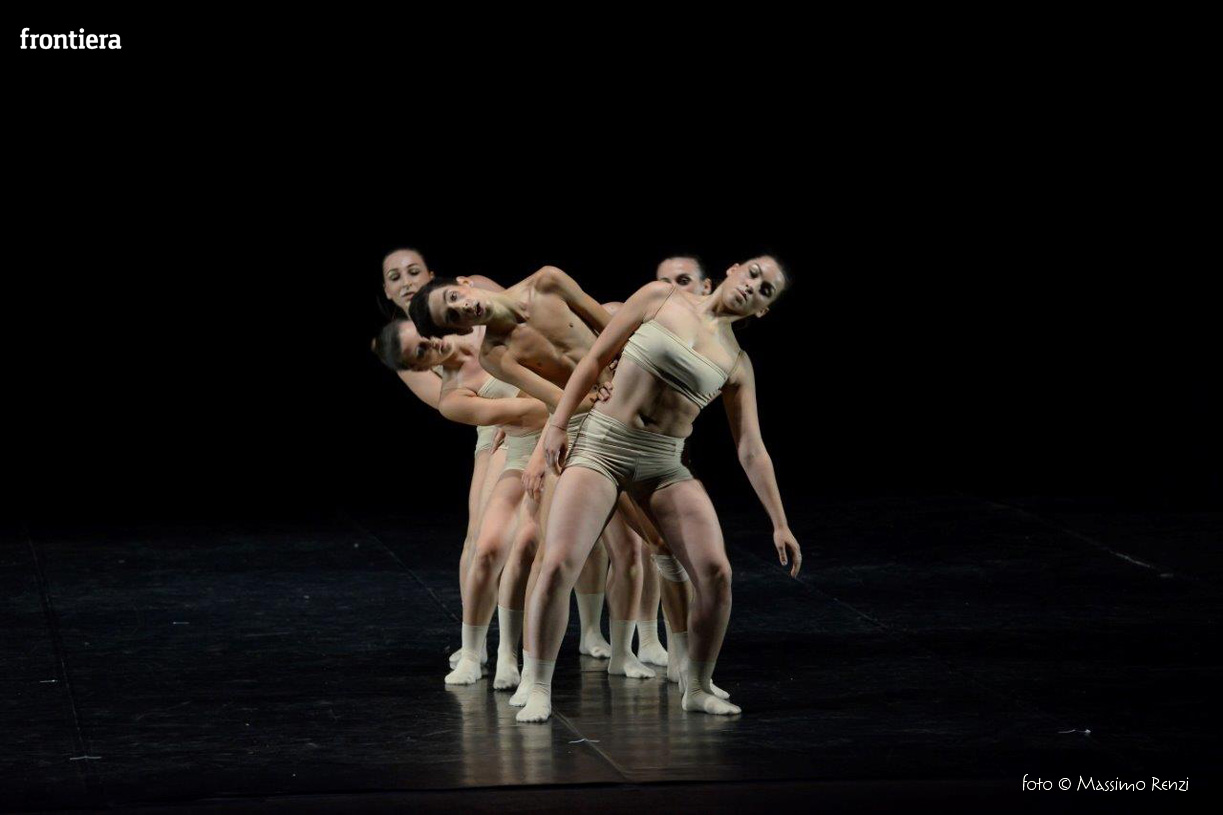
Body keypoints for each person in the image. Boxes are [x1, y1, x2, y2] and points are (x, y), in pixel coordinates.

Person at [516, 256, 802, 723]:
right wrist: (558, 423)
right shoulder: (659, 297)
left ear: (762, 310)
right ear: (733, 269)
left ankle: (698, 685)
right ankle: (538, 686)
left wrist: (780, 523)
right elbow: (595, 358)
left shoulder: (737, 363)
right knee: (559, 562)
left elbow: (751, 449)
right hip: (602, 446)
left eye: (765, 290)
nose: (753, 287)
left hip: (662, 463)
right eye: (753, 274)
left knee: (716, 572)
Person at [379, 248, 504, 670]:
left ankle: (602, 634)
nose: (406, 281)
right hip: (493, 422)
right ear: (386, 290)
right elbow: (448, 403)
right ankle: (475, 645)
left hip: (537, 397)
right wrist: (504, 413)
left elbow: (522, 322)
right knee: (481, 538)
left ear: (431, 274)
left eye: (413, 271)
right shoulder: (404, 344)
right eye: (395, 277)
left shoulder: (464, 294)